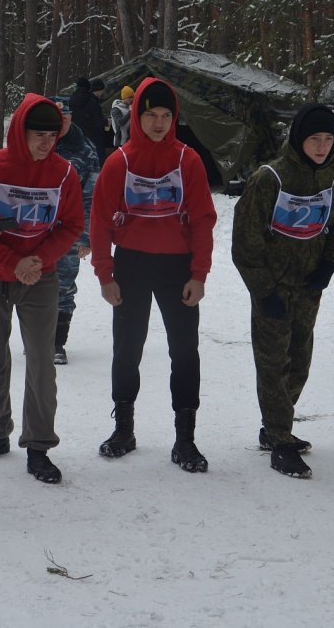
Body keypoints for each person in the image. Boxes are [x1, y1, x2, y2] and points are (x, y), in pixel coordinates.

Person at [90, 78, 217, 473]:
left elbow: (203, 219)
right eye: (151, 115)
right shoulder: (120, 161)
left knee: (185, 351)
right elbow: (100, 220)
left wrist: (199, 273)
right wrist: (105, 273)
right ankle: (123, 430)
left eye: (165, 115)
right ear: (137, 116)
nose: (159, 123)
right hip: (132, 265)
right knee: (127, 350)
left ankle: (185, 439)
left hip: (177, 268)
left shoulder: (188, 160)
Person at [0, 95, 83, 484]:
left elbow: (71, 225)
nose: (46, 142)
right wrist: (12, 263)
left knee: (42, 360)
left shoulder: (64, 173)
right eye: (38, 134)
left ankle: (39, 445)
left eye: (52, 135)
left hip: (40, 276)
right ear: (20, 132)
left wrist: (37, 261)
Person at [232, 103, 334, 478]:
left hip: (309, 286)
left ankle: (274, 427)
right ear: (299, 139)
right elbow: (245, 243)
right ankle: (280, 442)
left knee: (299, 362)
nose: (322, 146)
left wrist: (329, 265)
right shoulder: (269, 178)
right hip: (272, 286)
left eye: (328, 139)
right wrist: (263, 290)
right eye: (314, 138)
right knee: (273, 364)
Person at [49, 96, 100, 365]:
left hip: (68, 228)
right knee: (32, 283)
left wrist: (85, 236)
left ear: (71, 119)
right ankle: (37, 337)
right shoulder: (33, 144)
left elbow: (91, 197)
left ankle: (57, 343)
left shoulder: (85, 150)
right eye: (55, 120)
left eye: (65, 120)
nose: (59, 126)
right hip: (35, 228)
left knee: (64, 286)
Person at [70, 76, 108, 164]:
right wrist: (106, 121)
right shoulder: (92, 102)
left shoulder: (70, 101)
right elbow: (98, 122)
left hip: (76, 138)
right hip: (93, 140)